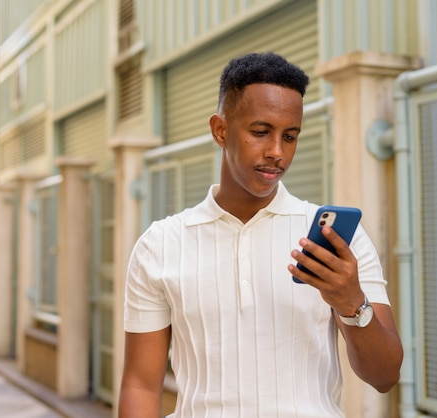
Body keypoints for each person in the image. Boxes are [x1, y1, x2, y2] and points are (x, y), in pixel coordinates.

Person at [118, 52, 403, 417]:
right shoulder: (160, 245)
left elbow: (384, 376)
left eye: (290, 136)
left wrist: (351, 303)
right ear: (220, 130)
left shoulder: (337, 241)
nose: (277, 153)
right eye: (260, 132)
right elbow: (140, 385)